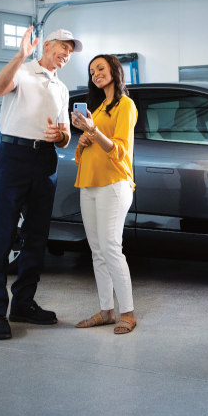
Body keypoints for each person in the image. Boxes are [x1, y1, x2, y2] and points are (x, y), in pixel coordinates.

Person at [0, 26, 81, 340]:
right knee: (1, 236)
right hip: (14, 156)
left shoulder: (61, 88)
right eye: (63, 47)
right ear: (48, 45)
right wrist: (20, 55)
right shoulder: (23, 72)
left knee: (37, 236)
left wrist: (62, 136)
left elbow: (65, 136)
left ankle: (23, 302)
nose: (66, 54)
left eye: (70, 51)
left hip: (46, 160)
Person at [70, 54, 138, 334]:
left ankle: (128, 313)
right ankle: (106, 311)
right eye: (92, 71)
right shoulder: (96, 109)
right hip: (89, 184)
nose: (96, 73)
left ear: (113, 70)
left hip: (114, 184)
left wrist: (94, 132)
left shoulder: (126, 105)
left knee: (111, 247)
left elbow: (118, 149)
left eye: (101, 68)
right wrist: (84, 139)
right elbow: (79, 157)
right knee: (97, 250)